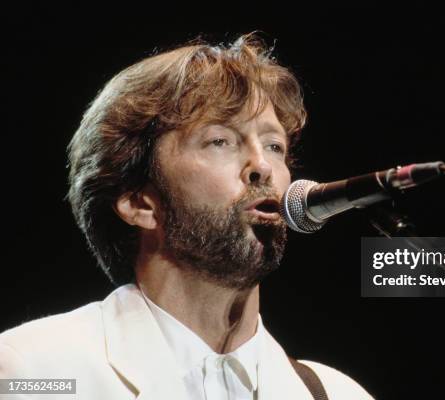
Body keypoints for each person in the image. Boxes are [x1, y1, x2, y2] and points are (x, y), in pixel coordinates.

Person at [0, 34, 374, 400]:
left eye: (274, 145)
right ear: (139, 203)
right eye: (220, 141)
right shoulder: (33, 371)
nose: (262, 166)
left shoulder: (337, 393)